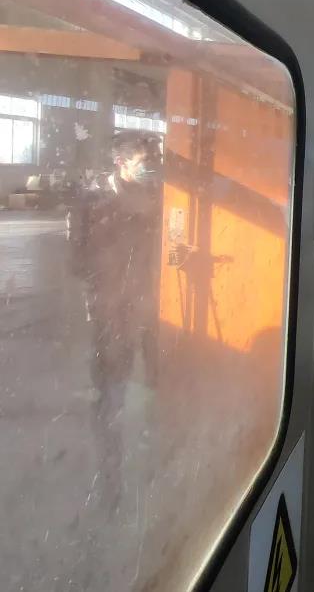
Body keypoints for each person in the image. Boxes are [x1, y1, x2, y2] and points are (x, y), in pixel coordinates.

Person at [68, 131, 164, 510]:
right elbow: (77, 258)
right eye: (144, 162)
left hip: (149, 307)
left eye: (153, 161)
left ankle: (150, 458)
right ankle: (110, 475)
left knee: (152, 380)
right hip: (111, 309)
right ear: (121, 162)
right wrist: (106, 285)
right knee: (111, 388)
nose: (151, 168)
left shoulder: (157, 198)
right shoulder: (93, 201)